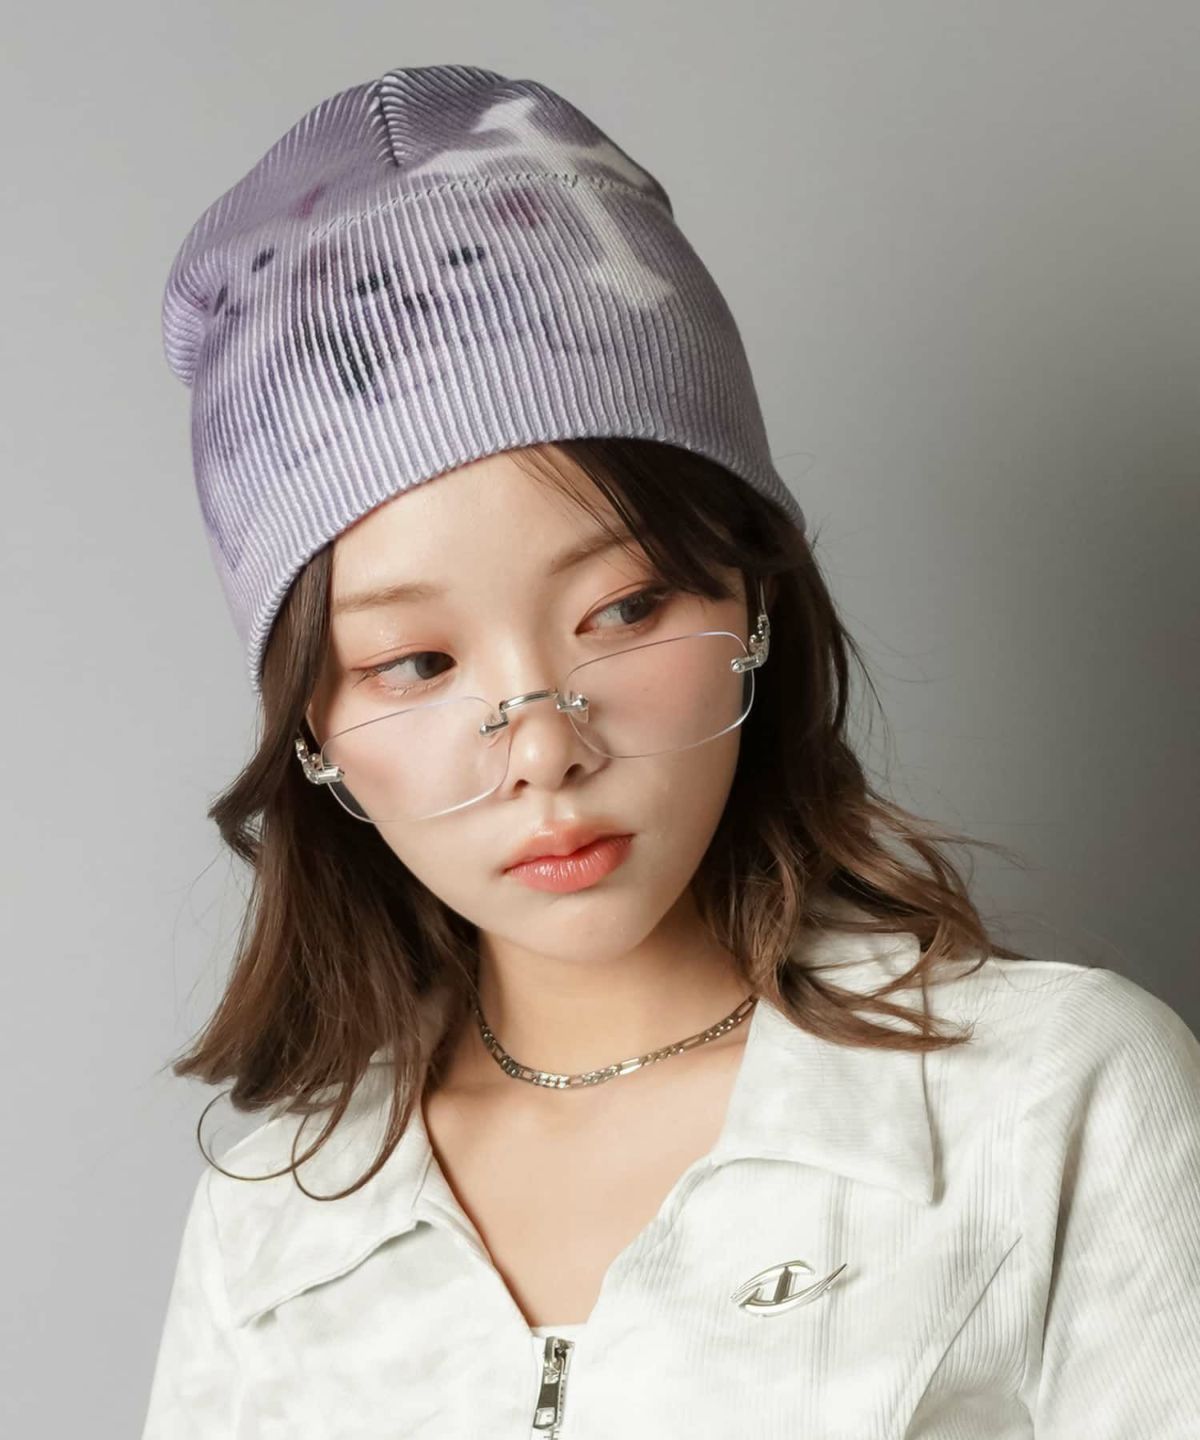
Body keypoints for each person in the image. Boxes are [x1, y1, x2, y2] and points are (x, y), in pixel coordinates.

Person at [140, 63, 1200, 1438]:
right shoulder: (273, 1233)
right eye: (419, 664)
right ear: (314, 727)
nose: (542, 747)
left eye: (625, 608)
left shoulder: (1055, 1103)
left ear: (753, 599)